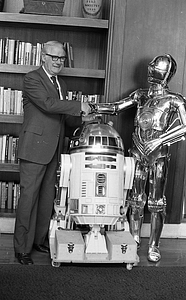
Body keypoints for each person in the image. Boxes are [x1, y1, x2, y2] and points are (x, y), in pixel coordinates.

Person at [92, 54, 186, 262]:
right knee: (135, 199)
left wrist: (159, 140)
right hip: (136, 151)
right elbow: (116, 108)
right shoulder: (140, 95)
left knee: (156, 202)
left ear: (166, 73)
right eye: (152, 65)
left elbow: (184, 126)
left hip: (158, 154)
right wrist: (93, 107)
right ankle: (134, 239)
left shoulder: (174, 100)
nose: (151, 68)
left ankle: (154, 244)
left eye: (157, 66)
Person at [14, 40, 92, 265]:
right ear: (43, 57)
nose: (58, 61)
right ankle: (22, 248)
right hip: (34, 149)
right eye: (54, 57)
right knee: (28, 199)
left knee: (47, 198)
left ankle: (38, 240)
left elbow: (62, 119)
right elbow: (48, 105)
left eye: (62, 58)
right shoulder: (32, 79)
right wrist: (79, 105)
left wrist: (81, 119)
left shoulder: (61, 84)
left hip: (54, 150)